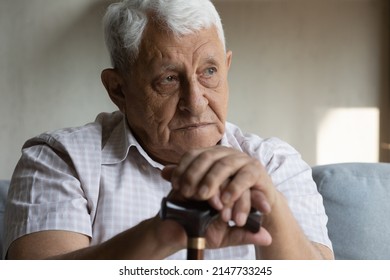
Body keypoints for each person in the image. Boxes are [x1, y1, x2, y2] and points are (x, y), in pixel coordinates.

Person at [3, 0, 333, 260]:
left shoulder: (275, 164)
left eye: (209, 71)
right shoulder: (61, 159)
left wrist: (270, 207)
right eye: (169, 79)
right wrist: (163, 232)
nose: (196, 102)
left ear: (227, 68)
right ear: (118, 89)